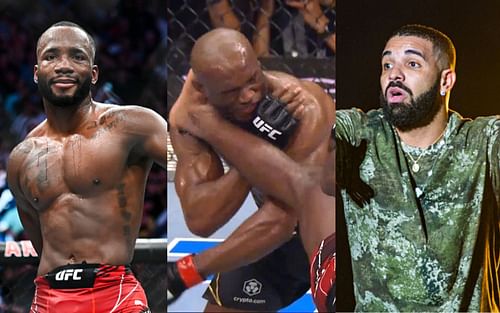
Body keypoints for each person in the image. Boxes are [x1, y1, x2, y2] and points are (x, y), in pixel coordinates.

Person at [6, 21, 167, 312]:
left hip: (115, 294)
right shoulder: (22, 157)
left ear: (93, 75)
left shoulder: (132, 126)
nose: (63, 65)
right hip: (50, 298)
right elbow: (40, 239)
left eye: (77, 56)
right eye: (51, 56)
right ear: (36, 72)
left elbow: (190, 168)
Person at [169, 28, 334, 312]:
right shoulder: (192, 119)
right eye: (232, 92)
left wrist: (186, 271)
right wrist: (255, 144)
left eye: (253, 80)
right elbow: (201, 219)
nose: (249, 96)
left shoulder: (304, 106)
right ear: (202, 90)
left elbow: (283, 219)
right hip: (277, 244)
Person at [336, 24, 499, 311]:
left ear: (446, 81)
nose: (394, 76)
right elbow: (322, 127)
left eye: (412, 63)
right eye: (387, 65)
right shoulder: (361, 134)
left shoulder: (482, 141)